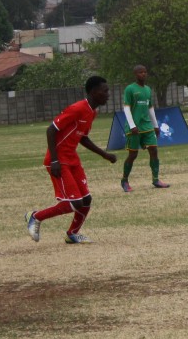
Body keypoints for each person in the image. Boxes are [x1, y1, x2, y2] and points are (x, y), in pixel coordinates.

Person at [25, 76, 118, 244]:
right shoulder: (77, 108)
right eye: (104, 91)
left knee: (86, 200)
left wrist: (104, 154)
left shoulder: (92, 112)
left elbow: (83, 138)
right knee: (74, 202)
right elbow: (51, 130)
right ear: (93, 92)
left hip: (72, 159)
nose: (108, 95)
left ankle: (72, 234)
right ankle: (35, 216)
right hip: (58, 160)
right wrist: (54, 160)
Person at [120, 64, 170, 192]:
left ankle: (156, 179)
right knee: (133, 154)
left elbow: (150, 107)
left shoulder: (148, 89)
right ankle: (124, 180)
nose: (143, 74)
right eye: (140, 72)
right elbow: (126, 107)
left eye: (145, 72)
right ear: (135, 74)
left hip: (147, 125)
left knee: (154, 150)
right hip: (134, 127)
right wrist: (132, 125)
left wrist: (155, 125)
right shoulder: (130, 89)